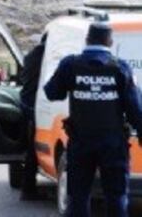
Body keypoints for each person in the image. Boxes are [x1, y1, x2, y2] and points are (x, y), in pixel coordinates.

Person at [44, 22, 142, 217]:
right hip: (113, 145)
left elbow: (52, 92)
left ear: (87, 40)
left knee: (78, 196)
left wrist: (70, 81)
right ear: (110, 41)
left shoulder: (70, 65)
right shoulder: (120, 67)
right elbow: (134, 108)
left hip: (81, 143)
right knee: (116, 197)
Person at [17, 32, 47, 200]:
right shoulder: (47, 56)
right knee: (34, 148)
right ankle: (28, 188)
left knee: (31, 147)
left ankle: (27, 185)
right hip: (37, 106)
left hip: (27, 104)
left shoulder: (31, 56)